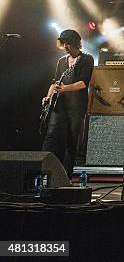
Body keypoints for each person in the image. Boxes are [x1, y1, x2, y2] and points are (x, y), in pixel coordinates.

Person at [42, 29, 94, 177]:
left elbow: (83, 83)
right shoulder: (61, 61)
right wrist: (48, 96)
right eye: (63, 43)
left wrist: (65, 88)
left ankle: (66, 175)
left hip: (76, 107)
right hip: (60, 106)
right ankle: (46, 171)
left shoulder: (87, 59)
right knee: (51, 136)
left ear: (75, 44)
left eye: (67, 43)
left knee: (71, 140)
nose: (65, 46)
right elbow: (55, 83)